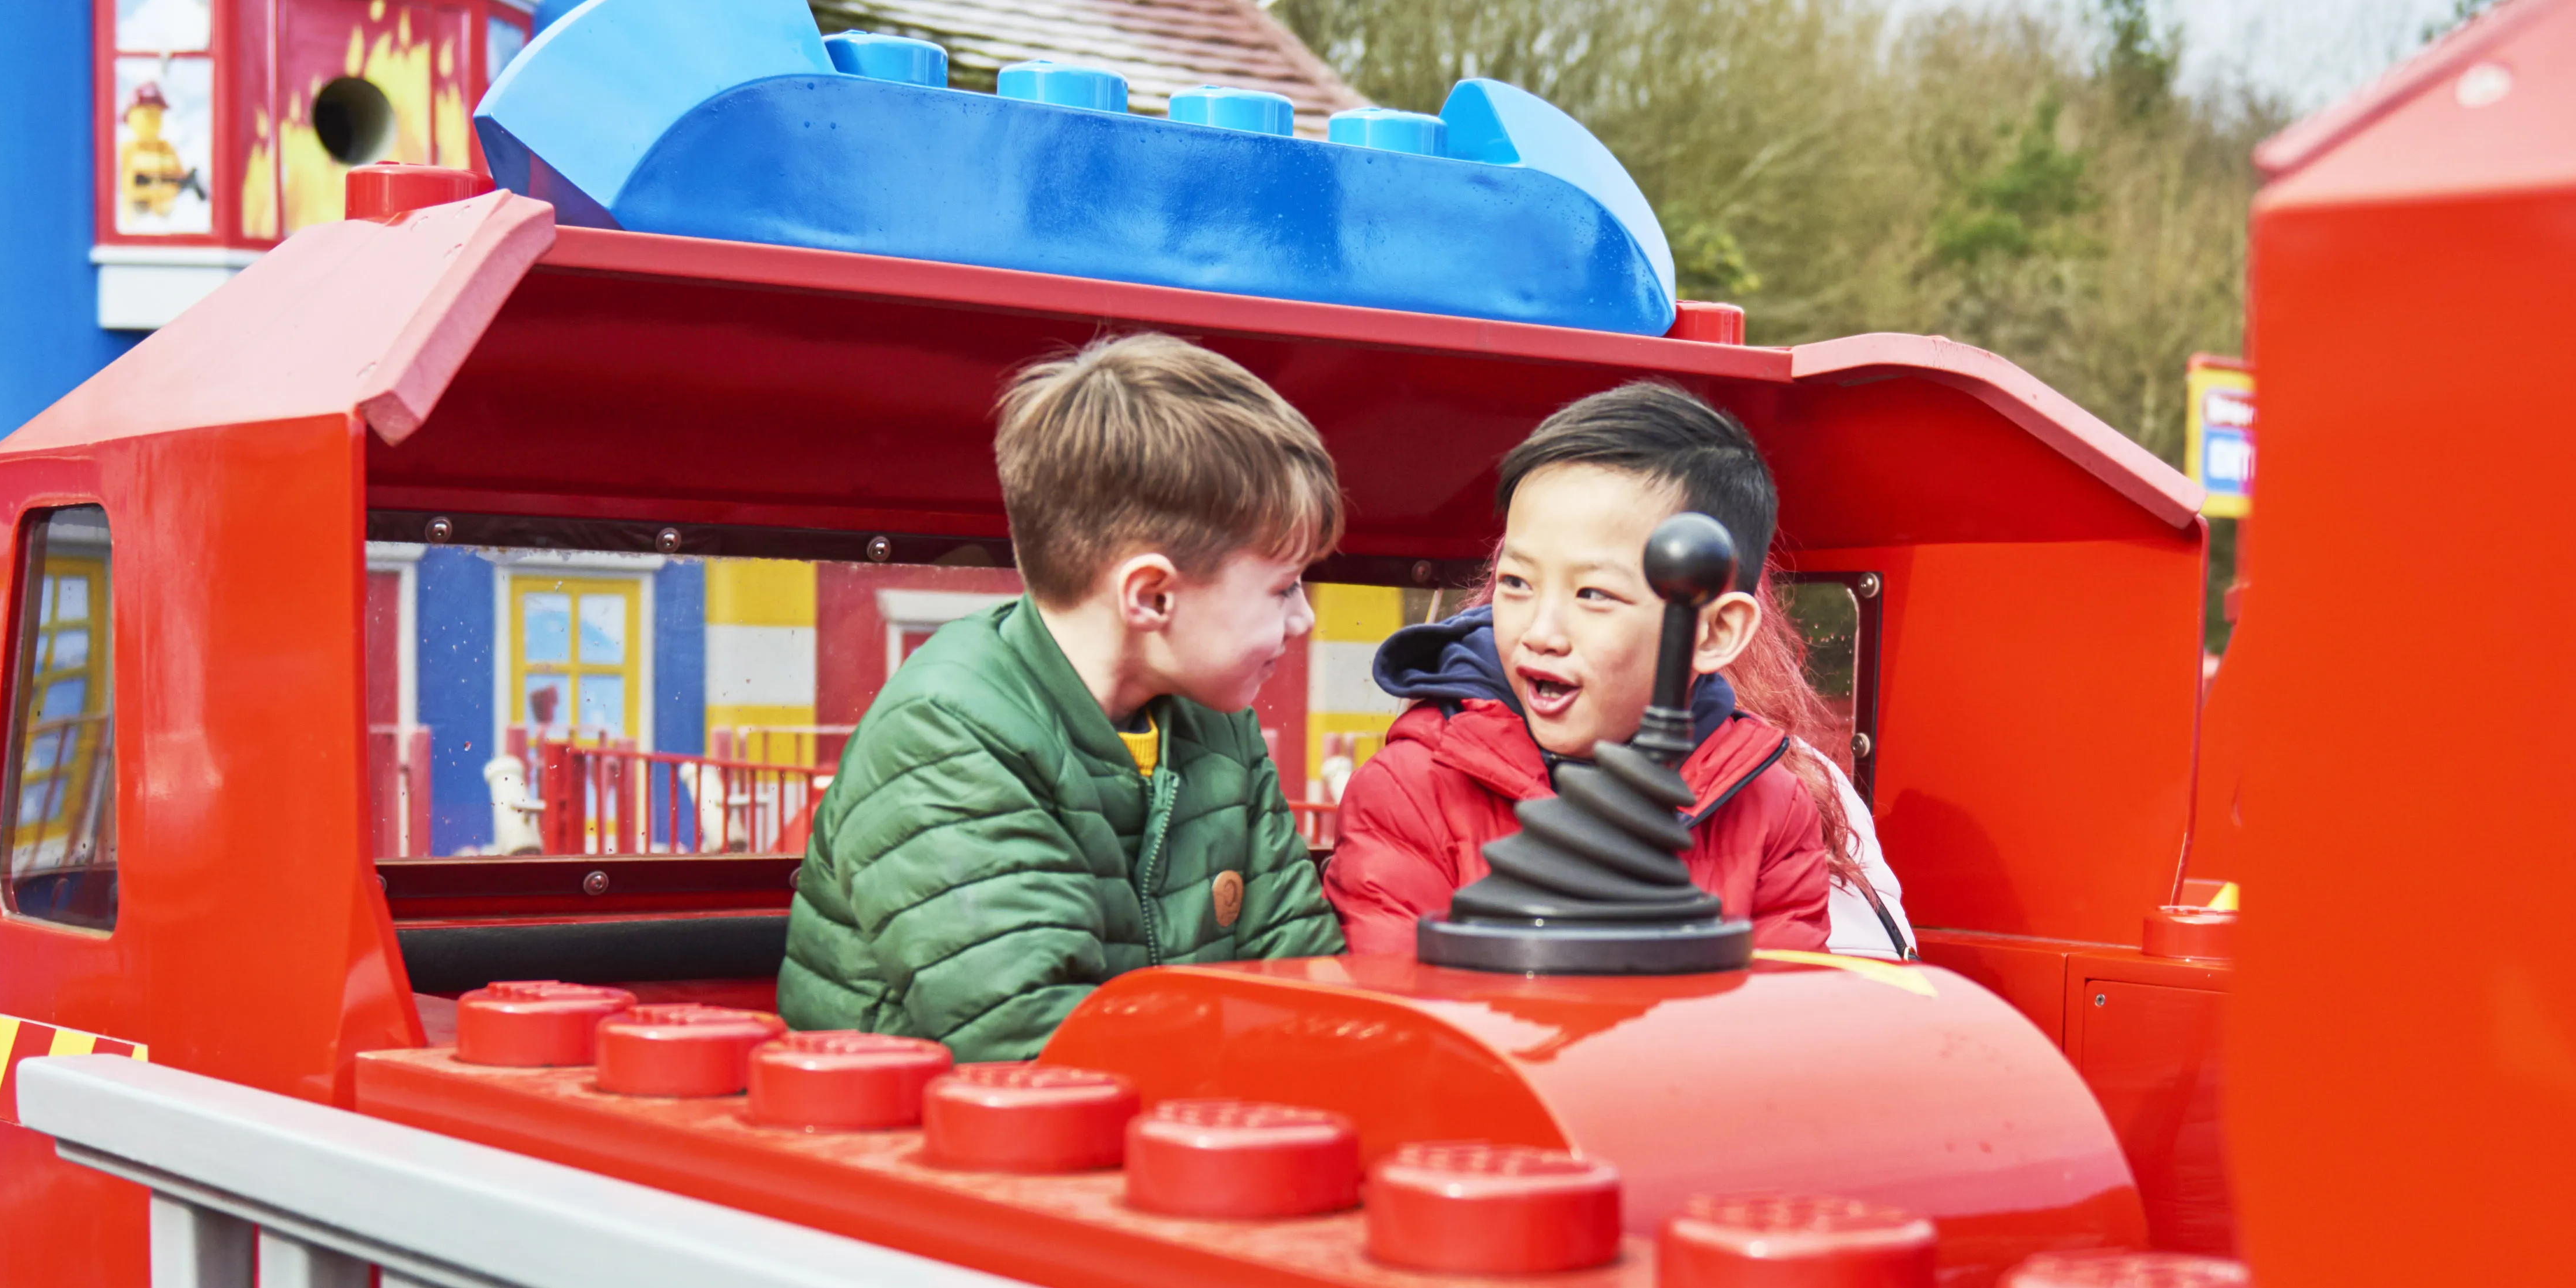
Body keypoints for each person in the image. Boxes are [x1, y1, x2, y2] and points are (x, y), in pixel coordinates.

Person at [779, 332, 1346, 1055]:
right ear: (1150, 596)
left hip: (1171, 1126)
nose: (1303, 618)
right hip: (919, 1140)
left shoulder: (1213, 724)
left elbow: (1301, 970)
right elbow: (1037, 1042)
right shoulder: (946, 735)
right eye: (1283, 586)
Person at [1324, 381, 1909, 957]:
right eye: (1517, 583)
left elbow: (1777, 1021)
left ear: (1714, 631)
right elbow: (1400, 1013)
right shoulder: (1410, 788)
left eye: (1594, 594)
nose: (1541, 632)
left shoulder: (1772, 807)